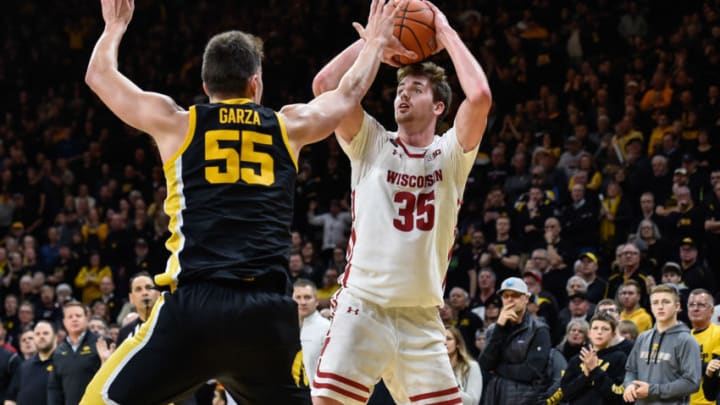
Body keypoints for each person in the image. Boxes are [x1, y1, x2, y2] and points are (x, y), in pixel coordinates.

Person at [81, 0, 401, 402]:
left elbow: (99, 75)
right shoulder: (289, 126)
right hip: (265, 315)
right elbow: (346, 94)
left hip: (194, 309)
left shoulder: (177, 123)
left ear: (205, 86)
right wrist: (374, 44)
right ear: (255, 82)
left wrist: (114, 27)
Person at [310, 0, 492, 403]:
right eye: (399, 88)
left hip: (421, 317)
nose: (403, 95)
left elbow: (479, 95)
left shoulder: (450, 155)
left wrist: (442, 28)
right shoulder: (371, 141)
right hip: (363, 306)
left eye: (416, 88)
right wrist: (374, 42)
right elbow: (325, 87)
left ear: (439, 106)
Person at [623, 284, 701, 404]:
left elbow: (692, 383)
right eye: (655, 303)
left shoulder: (686, 340)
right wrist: (629, 385)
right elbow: (631, 370)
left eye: (665, 302)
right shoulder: (643, 337)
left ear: (677, 306)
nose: (660, 307)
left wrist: (653, 390)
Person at [479, 277, 552, 405]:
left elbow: (531, 371)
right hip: (494, 395)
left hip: (524, 398)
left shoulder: (539, 329)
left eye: (515, 295)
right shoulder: (493, 329)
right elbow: (484, 365)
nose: (510, 299)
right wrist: (499, 327)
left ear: (526, 298)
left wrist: (497, 369)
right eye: (505, 296)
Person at [552, 312, 627, 405]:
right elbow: (566, 394)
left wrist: (595, 370)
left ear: (613, 334)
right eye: (595, 328)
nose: (599, 332)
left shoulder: (620, 358)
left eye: (605, 329)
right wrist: (585, 376)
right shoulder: (577, 359)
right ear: (589, 333)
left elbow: (617, 396)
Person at [47, 301, 102, 405]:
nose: (74, 319)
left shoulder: (101, 343)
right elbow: (54, 387)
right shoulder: (59, 351)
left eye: (78, 316)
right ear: (64, 322)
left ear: (87, 319)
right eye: (70, 317)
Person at [4, 321, 56, 405]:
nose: (41, 336)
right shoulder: (23, 367)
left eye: (45, 333)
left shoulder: (63, 363)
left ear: (55, 337)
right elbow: (11, 398)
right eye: (37, 334)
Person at [292, 279, 330, 388]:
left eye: (307, 297)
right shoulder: (285, 327)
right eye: (298, 298)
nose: (302, 302)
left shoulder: (326, 328)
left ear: (317, 301)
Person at [686, 289, 720, 405]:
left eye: (701, 305)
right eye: (691, 305)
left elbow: (716, 368)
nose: (695, 308)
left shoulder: (718, 333)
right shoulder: (683, 338)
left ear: (711, 311)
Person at [115, 272, 160, 344]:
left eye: (148, 287)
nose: (145, 293)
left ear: (158, 294)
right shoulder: (125, 332)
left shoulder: (173, 323)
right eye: (138, 289)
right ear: (131, 298)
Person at [444, 326, 482, 405]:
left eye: (448, 339)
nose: (444, 342)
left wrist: (448, 385)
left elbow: (473, 402)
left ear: (457, 344)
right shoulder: (434, 368)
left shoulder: (471, 366)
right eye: (441, 339)